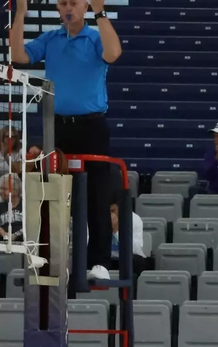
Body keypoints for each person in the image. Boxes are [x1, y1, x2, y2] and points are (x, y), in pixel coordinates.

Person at [12, 0, 122, 281]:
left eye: (73, 3)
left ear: (84, 7)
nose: (68, 8)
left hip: (92, 126)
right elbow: (19, 55)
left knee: (97, 195)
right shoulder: (51, 38)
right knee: (54, 196)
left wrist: (100, 12)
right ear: (58, 9)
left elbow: (113, 53)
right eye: (63, 3)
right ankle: (53, 260)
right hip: (57, 126)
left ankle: (99, 262)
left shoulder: (95, 37)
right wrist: (21, 13)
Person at [108, 196, 146, 277]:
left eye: (113, 211)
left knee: (137, 262)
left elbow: (136, 249)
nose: (111, 215)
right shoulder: (98, 218)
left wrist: (116, 232)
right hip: (108, 258)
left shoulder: (134, 219)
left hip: (127, 258)